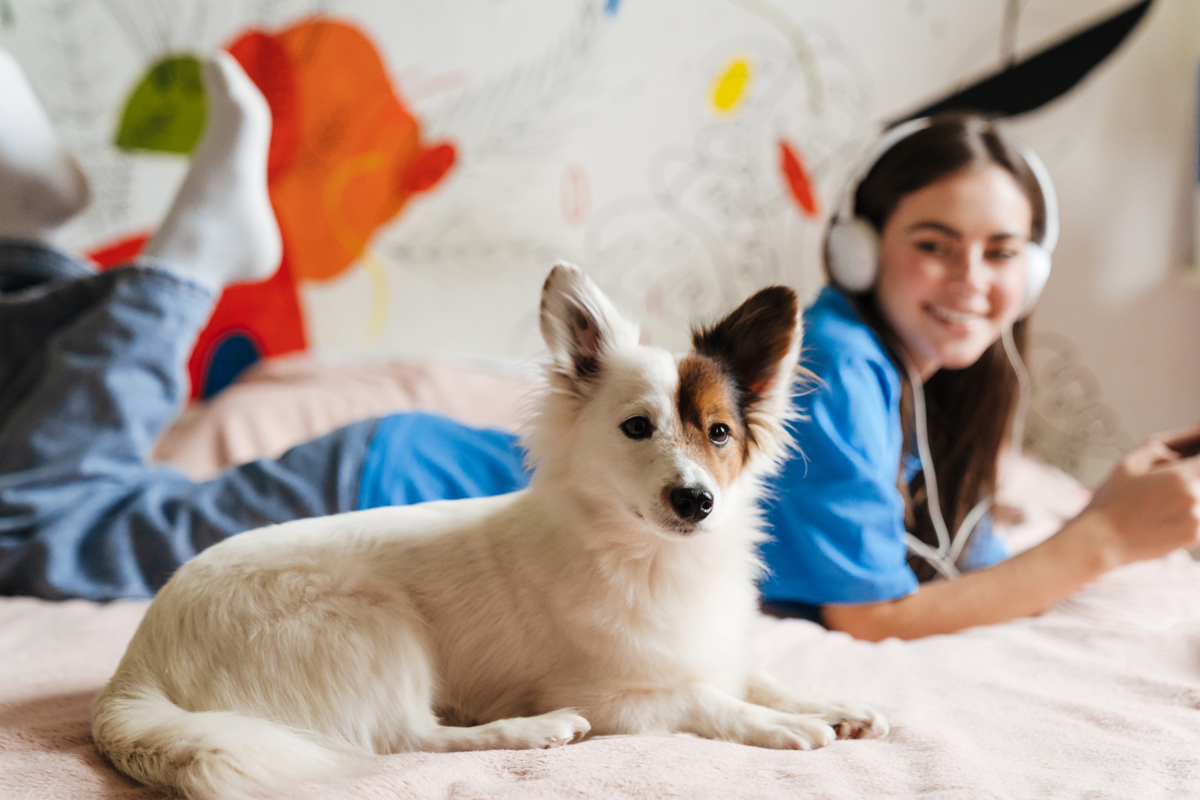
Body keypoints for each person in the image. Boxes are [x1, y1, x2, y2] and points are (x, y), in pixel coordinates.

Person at [0, 50, 528, 600]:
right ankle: (187, 259)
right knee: (32, 533)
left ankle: (23, 248)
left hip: (412, 478)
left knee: (73, 512)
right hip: (404, 505)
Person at [757, 113, 1200, 640]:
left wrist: (1107, 510)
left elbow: (976, 573)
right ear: (861, 251)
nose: (971, 281)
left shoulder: (932, 368)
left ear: (1031, 272)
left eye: (1001, 252)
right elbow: (868, 618)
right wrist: (1105, 537)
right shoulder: (837, 367)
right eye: (933, 245)